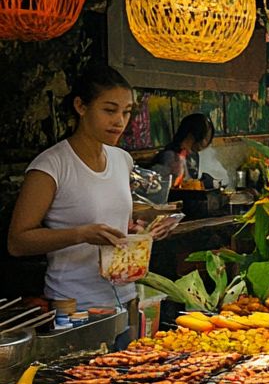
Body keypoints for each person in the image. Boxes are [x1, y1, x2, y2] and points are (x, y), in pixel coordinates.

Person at [8, 65, 174, 323]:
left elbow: (117, 222)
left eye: (126, 112)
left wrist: (144, 231)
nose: (119, 121)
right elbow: (18, 242)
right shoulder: (51, 166)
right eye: (109, 110)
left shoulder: (122, 160)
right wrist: (80, 234)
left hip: (125, 297)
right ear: (81, 106)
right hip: (74, 306)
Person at [153, 113, 214, 188]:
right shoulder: (169, 156)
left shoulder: (192, 156)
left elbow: (189, 181)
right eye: (205, 137)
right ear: (190, 134)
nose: (205, 142)